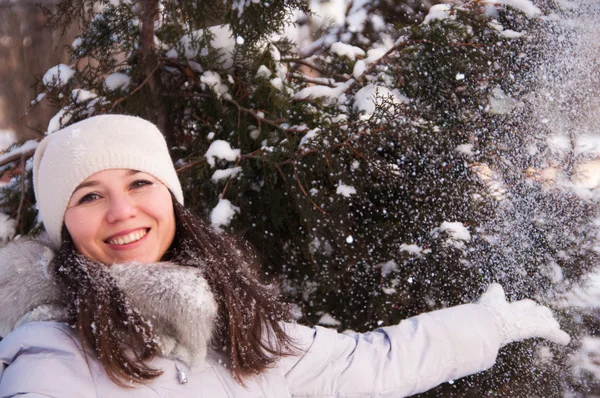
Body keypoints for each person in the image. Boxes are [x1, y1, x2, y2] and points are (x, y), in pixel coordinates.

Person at [0, 115, 570, 397]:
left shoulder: (229, 321)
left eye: (140, 183)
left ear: (171, 197)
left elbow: (361, 363)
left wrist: (483, 325)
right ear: (63, 226)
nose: (123, 211)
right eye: (90, 195)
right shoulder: (50, 359)